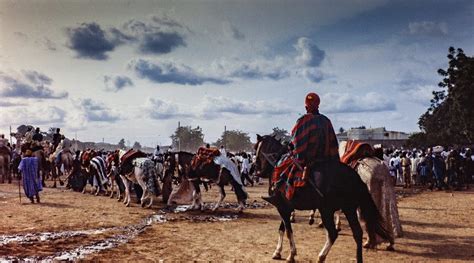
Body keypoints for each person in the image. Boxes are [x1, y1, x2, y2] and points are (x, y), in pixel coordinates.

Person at [271, 92, 339, 200]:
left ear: (306, 106)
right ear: (318, 105)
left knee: (283, 167)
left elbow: (296, 141)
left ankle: (279, 192)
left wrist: (294, 150)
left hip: (308, 160)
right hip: (326, 159)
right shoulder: (326, 121)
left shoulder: (303, 120)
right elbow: (333, 143)